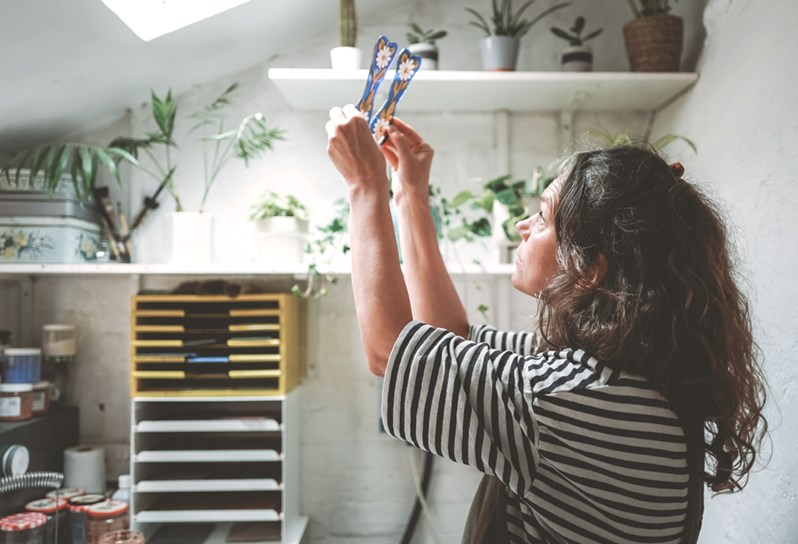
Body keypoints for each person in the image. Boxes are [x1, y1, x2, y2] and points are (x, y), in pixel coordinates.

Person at [325, 104, 768, 544]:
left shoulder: (573, 395)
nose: (522, 225)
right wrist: (409, 195)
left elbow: (389, 351)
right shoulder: (627, 370)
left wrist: (365, 186)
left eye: (541, 217)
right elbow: (451, 336)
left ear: (588, 268)